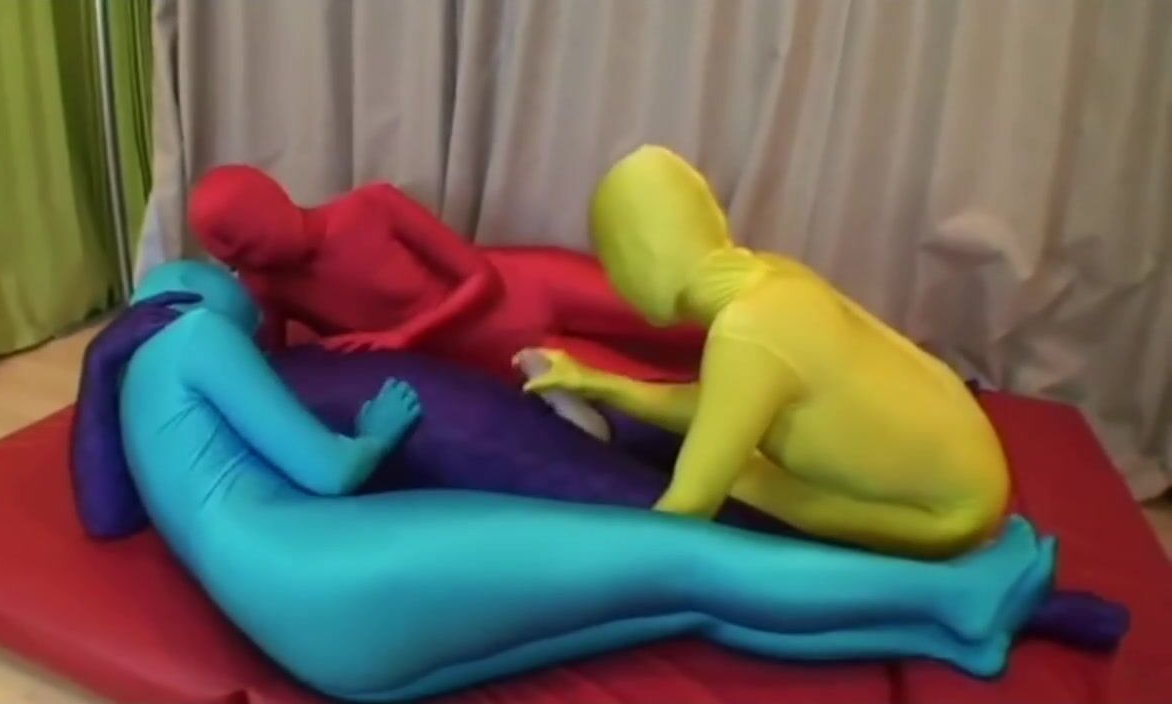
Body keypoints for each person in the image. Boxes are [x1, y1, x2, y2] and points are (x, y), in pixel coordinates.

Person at [73, 259, 1109, 703]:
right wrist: (376, 430)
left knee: (678, 595)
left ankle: (948, 626)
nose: (251, 305)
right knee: (685, 557)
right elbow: (327, 470)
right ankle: (952, 592)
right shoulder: (193, 333)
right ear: (186, 288)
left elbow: (112, 511)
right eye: (231, 285)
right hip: (334, 579)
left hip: (326, 646)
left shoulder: (127, 390)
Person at [525, 145, 1011, 560]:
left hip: (947, 520)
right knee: (725, 455)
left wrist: (579, 561)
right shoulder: (776, 276)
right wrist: (596, 383)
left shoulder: (747, 334)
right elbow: (722, 408)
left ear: (637, 263)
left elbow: (688, 507)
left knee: (740, 481)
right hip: (978, 480)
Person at [187, 165, 706, 385]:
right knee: (665, 392)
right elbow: (272, 367)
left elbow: (480, 278)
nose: (252, 260)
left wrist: (404, 337)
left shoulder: (371, 207)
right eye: (236, 257)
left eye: (250, 240)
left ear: (273, 198)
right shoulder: (269, 283)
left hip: (530, 286)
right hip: (510, 355)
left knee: (687, 314)